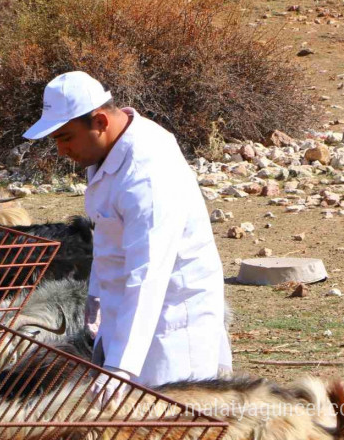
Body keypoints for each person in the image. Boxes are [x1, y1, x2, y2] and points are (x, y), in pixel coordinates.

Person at [22, 71, 232, 406]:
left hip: (169, 314)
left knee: (171, 413)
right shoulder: (107, 152)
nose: (61, 150)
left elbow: (148, 274)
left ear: (100, 121)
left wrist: (122, 365)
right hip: (129, 307)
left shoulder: (147, 174)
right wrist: (96, 295)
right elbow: (109, 236)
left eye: (65, 137)